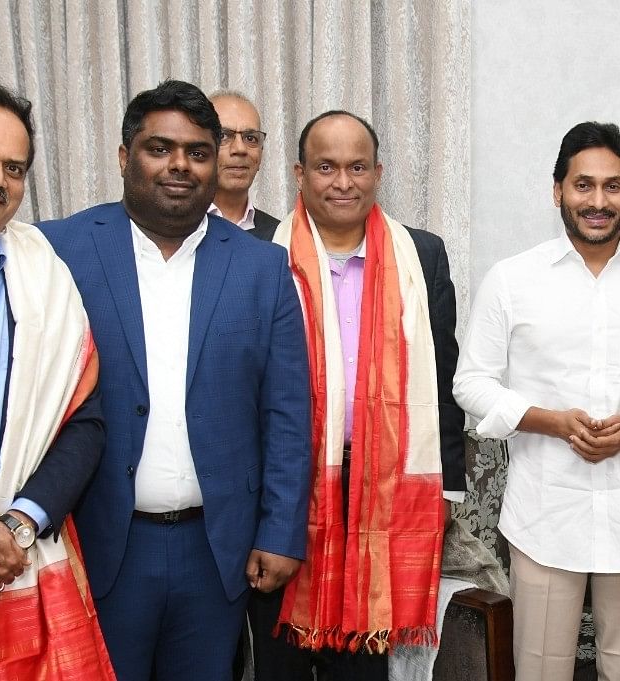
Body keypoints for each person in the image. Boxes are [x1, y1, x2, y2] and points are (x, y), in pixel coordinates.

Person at [38, 79, 312, 681]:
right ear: (124, 156)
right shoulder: (58, 249)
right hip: (96, 542)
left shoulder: (262, 266)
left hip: (217, 552)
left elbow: (289, 411)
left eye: (197, 151)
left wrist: (282, 530)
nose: (179, 165)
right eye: (159, 148)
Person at [454, 121, 620, 681]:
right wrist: (549, 421)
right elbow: (471, 383)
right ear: (558, 191)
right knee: (541, 670)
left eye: (612, 187)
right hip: (546, 512)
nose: (598, 202)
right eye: (583, 186)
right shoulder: (512, 280)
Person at [247, 110, 465, 681]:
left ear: (378, 173)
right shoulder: (258, 257)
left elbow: (443, 376)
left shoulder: (422, 255)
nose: (343, 182)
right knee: (281, 660)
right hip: (285, 488)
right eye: (326, 167)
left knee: (363, 665)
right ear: (299, 173)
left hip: (387, 490)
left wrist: (448, 489)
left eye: (357, 167)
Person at [0, 82, 112, 681]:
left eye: (13, 167)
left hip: (24, 560)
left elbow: (84, 417)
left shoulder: (46, 273)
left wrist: (19, 524)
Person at [208, 90, 279, 240]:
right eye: (223, 136)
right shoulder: (175, 230)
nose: (240, 149)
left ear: (261, 153)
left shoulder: (281, 236)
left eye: (251, 138)